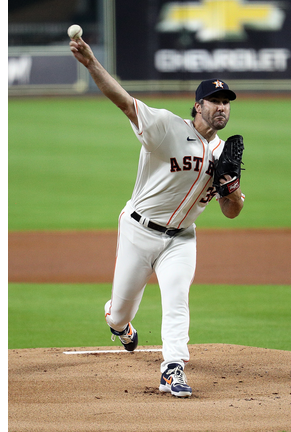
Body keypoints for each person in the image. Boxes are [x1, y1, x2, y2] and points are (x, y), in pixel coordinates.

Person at [69, 35, 245, 398]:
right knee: (119, 312)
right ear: (198, 105)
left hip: (181, 238)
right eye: (215, 101)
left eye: (226, 102)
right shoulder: (166, 126)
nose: (222, 107)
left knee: (177, 298)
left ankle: (172, 369)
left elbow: (231, 211)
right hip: (138, 231)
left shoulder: (224, 152)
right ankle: (119, 324)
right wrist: (91, 64)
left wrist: (231, 189)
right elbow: (125, 103)